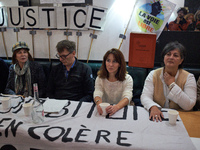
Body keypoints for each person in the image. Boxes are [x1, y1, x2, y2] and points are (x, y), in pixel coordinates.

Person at [141, 41, 197, 122]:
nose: (171, 57)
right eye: (168, 54)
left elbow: (189, 105)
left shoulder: (189, 77)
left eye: (175, 55)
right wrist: (153, 107)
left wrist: (172, 85)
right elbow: (145, 96)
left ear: (181, 60)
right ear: (164, 57)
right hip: (158, 116)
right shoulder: (153, 74)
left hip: (181, 119)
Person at [93, 48, 133, 116]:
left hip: (121, 109)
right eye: (108, 61)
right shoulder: (100, 78)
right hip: (105, 109)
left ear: (120, 64)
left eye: (114, 61)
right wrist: (99, 104)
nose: (111, 64)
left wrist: (116, 107)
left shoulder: (128, 78)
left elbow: (127, 96)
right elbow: (97, 92)